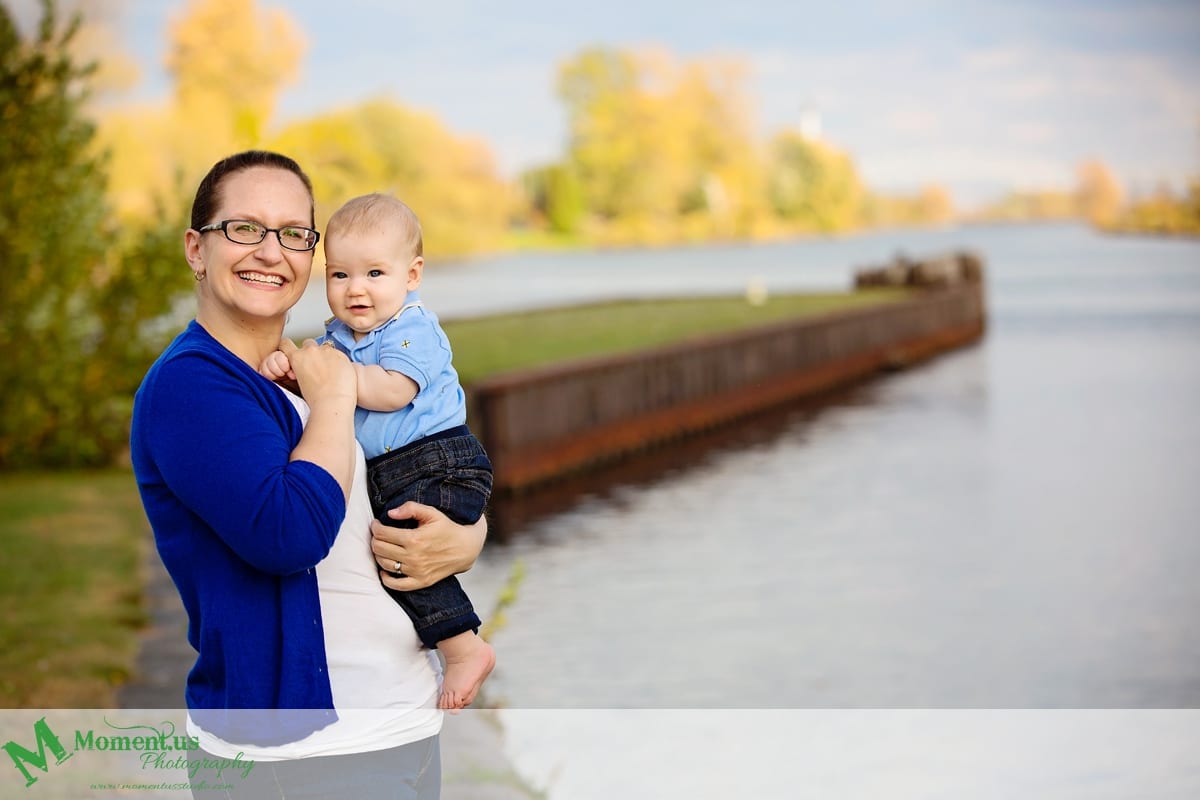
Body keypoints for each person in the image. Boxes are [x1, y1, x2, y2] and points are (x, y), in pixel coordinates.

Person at [130, 150, 487, 799]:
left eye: (294, 234)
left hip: (396, 723)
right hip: (295, 756)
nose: (271, 251)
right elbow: (288, 534)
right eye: (243, 228)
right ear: (195, 248)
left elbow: (386, 487)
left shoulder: (299, 375)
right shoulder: (192, 387)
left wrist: (466, 535)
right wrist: (334, 397)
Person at [259, 193, 495, 712]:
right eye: (339, 276)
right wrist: (297, 374)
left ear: (411, 275)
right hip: (400, 468)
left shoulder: (412, 328)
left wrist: (331, 378)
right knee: (396, 550)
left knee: (400, 555)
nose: (355, 289)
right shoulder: (339, 339)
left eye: (374, 273)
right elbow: (329, 398)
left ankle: (463, 646)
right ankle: (458, 644)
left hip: (439, 459)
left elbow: (391, 391)